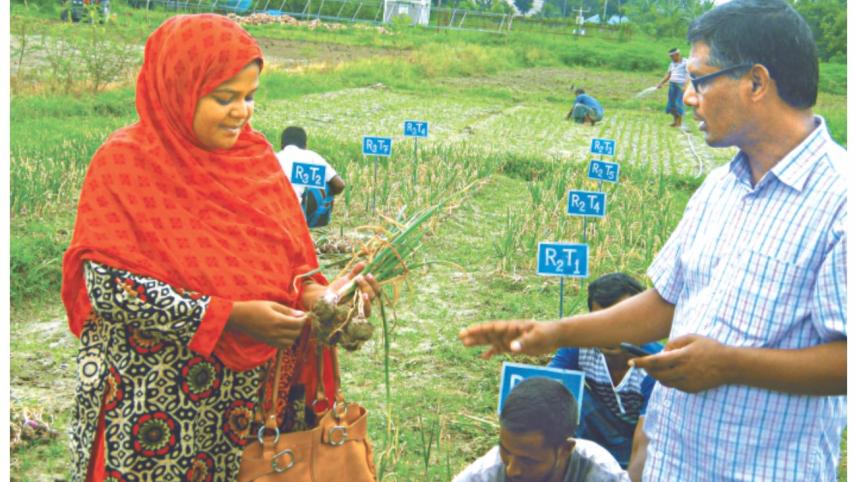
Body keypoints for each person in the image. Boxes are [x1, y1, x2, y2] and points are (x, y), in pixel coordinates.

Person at [459, 1, 846, 480]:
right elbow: (665, 301)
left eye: (700, 79)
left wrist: (729, 365)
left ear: (756, 82)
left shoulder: (840, 201)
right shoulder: (718, 189)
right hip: (674, 460)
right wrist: (556, 332)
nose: (688, 96)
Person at [60, 14, 380, 481]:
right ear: (178, 88)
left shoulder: (257, 162)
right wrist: (227, 315)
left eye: (249, 97)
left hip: (251, 410)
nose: (241, 112)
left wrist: (323, 299)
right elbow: (109, 289)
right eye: (223, 97)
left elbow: (294, 265)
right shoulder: (126, 163)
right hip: (155, 406)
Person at [548, 273, 662, 478]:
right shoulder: (579, 345)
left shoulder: (653, 363)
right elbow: (544, 387)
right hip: (597, 434)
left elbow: (645, 439)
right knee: (560, 391)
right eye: (603, 322)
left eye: (622, 322)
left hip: (639, 441)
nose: (611, 333)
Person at [453, 378, 629, 482]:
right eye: (505, 451)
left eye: (528, 461)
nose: (512, 470)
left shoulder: (600, 473)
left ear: (565, 450)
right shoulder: (487, 473)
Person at [276, 125, 346, 224]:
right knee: (326, 185)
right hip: (297, 212)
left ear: (282, 145)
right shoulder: (311, 156)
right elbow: (339, 185)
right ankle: (311, 221)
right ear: (305, 145)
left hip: (272, 210)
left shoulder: (274, 157)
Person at [656, 48, 688, 128]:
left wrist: (686, 86)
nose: (671, 58)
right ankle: (675, 121)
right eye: (670, 57)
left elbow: (689, 75)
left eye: (672, 56)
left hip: (680, 86)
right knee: (672, 104)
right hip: (672, 85)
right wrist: (661, 83)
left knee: (678, 103)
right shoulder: (672, 64)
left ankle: (679, 123)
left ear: (677, 55)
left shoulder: (686, 62)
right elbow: (668, 75)